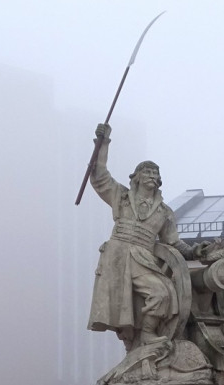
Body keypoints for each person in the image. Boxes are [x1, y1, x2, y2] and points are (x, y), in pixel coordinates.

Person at [87, 123, 204, 351]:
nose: (152, 176)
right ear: (137, 178)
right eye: (147, 172)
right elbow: (99, 175)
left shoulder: (164, 212)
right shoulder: (121, 196)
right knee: (122, 307)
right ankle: (135, 340)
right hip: (118, 255)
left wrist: (195, 251)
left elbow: (173, 242)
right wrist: (103, 142)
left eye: (155, 173)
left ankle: (149, 334)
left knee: (162, 292)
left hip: (143, 257)